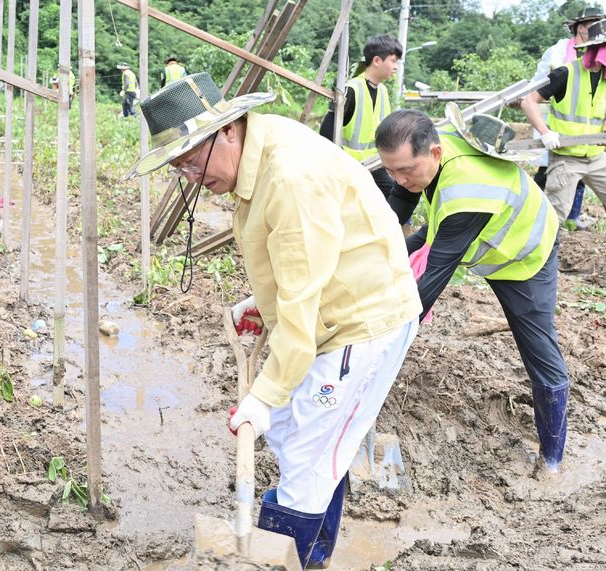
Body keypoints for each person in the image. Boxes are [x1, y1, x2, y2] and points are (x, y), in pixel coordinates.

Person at [125, 72, 421, 569]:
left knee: (307, 457)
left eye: (193, 161)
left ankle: (288, 558)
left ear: (228, 130)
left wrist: (261, 396)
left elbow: (303, 300)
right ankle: (315, 553)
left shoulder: (289, 175)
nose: (192, 177)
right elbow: (298, 261)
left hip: (360, 324)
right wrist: (262, 305)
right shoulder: (257, 161)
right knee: (295, 436)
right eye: (180, 168)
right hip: (328, 312)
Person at [376, 105, 570, 476]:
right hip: (475, 232)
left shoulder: (466, 193)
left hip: (523, 254)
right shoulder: (431, 156)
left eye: (404, 170)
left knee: (539, 351)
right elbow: (394, 215)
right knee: (403, 249)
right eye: (390, 170)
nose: (398, 179)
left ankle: (552, 459)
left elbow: (430, 284)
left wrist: (379, 339)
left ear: (433, 153)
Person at [521, 17, 606, 273]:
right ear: (598, 47)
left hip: (597, 157)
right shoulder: (566, 72)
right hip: (566, 158)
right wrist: (545, 132)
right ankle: (538, 262)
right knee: (556, 213)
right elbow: (528, 101)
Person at [532, 7, 606, 230]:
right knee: (549, 171)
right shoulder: (557, 52)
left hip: (584, 128)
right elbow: (538, 85)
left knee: (582, 172)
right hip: (556, 121)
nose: (595, 30)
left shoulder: (601, 53)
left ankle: (573, 216)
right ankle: (534, 212)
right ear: (579, 27)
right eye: (590, 25)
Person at [319, 34, 402, 199]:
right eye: (393, 61)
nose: (396, 67)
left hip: (375, 165)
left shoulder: (383, 92)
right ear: (377, 61)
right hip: (348, 167)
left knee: (396, 194)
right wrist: (344, 164)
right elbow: (326, 133)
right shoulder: (350, 89)